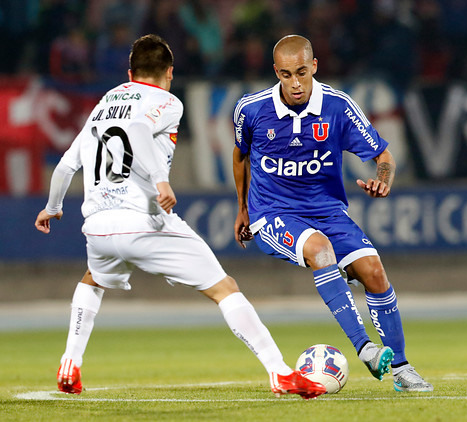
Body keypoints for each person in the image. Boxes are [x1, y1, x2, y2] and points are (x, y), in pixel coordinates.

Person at [35, 34, 325, 400]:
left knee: (92, 279)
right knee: (225, 288)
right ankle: (281, 373)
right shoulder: (167, 102)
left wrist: (54, 206)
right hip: (143, 219)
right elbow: (139, 130)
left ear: (129, 72)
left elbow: (65, 165)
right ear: (170, 73)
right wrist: (160, 182)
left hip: (97, 225)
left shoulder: (103, 105)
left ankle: (69, 364)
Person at [232, 34, 433, 393]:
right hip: (273, 212)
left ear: (315, 67)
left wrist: (382, 180)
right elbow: (240, 155)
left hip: (327, 212)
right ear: (276, 72)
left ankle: (402, 369)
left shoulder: (338, 107)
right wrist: (243, 209)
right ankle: (365, 348)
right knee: (319, 248)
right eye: (286, 75)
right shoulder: (251, 109)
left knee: (374, 271)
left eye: (302, 73)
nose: (295, 83)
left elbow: (383, 157)